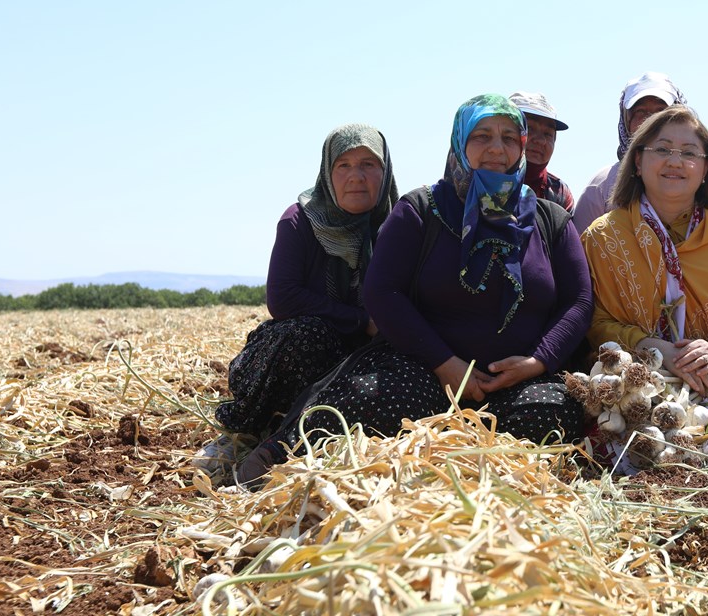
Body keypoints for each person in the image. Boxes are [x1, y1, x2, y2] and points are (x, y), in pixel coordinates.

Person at [236, 95, 591, 484]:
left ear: (521, 147)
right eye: (482, 135)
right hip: (424, 371)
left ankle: (471, 478)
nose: (496, 148)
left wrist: (537, 362)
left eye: (509, 137)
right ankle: (283, 453)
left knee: (552, 413)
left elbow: (578, 300)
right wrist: (446, 364)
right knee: (379, 399)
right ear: (459, 142)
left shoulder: (549, 218)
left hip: (515, 382)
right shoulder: (422, 209)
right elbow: (383, 292)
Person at [582, 105, 708, 400]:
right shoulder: (604, 236)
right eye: (662, 149)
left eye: (689, 153)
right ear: (637, 161)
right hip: (630, 389)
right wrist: (656, 349)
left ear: (706, 169)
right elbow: (594, 325)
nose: (675, 162)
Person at [215, 124, 398, 435]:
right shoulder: (299, 221)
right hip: (299, 355)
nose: (356, 176)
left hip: (364, 355)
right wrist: (361, 320)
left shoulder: (401, 224)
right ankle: (272, 429)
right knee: (307, 336)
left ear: (385, 171)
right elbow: (282, 297)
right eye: (343, 165)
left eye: (368, 164)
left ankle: (334, 429)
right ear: (327, 172)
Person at [572, 71, 708, 233]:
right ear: (626, 121)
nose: (651, 121)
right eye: (641, 112)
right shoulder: (602, 187)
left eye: (661, 111)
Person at [509, 91, 575, 212]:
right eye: (529, 128)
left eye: (548, 134)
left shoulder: (559, 194)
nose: (540, 140)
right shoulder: (479, 181)